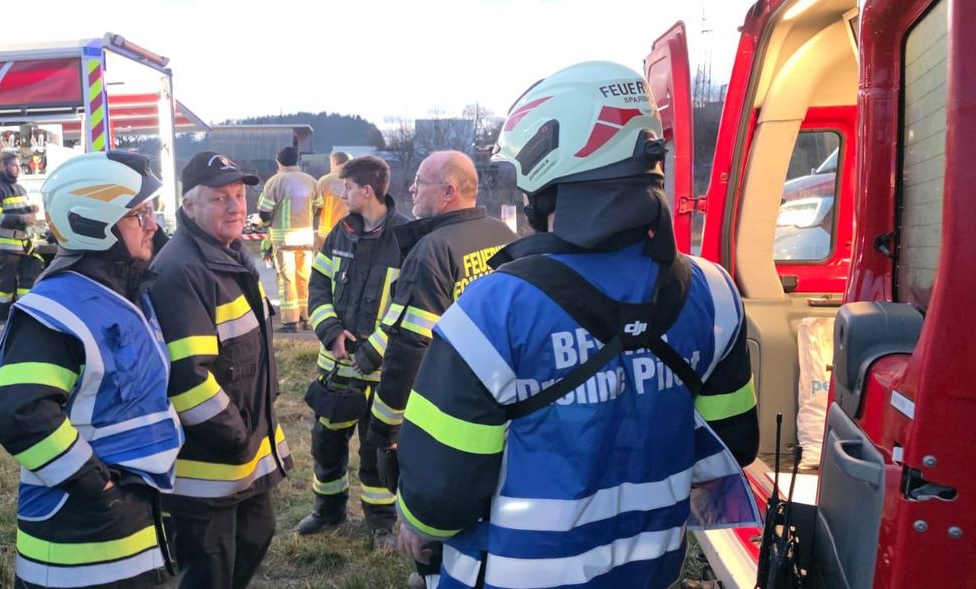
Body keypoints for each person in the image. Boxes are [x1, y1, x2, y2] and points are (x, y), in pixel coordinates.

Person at [394, 61, 762, 588]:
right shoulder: (715, 293)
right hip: (648, 573)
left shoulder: (493, 310)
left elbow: (438, 499)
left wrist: (416, 524)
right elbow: (732, 447)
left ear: (549, 174)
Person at [0, 151, 184, 589]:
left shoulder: (117, 291)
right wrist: (100, 488)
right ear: (95, 224)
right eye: (140, 215)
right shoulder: (58, 308)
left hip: (123, 527)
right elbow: (21, 415)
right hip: (77, 540)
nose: (153, 225)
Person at [150, 151, 292, 589]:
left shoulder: (228, 253)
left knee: (254, 537)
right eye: (219, 198)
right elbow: (187, 377)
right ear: (189, 205)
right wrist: (237, 435)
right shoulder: (181, 270)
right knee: (209, 568)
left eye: (239, 194)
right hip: (209, 465)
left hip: (244, 450)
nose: (235, 206)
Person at [352, 150, 515, 497]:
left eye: (419, 183)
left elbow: (409, 348)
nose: (411, 189)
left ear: (448, 192)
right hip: (508, 406)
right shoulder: (504, 235)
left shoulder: (432, 250)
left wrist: (383, 433)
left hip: (451, 411)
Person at [294, 156, 408, 550]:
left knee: (378, 451)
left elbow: (410, 307)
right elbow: (318, 287)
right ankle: (327, 511)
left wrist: (373, 352)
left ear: (367, 191)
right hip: (337, 366)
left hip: (383, 373)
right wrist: (329, 331)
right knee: (326, 443)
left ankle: (381, 523)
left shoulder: (408, 239)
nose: (342, 194)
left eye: (347, 188)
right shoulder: (339, 233)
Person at [256, 145, 322, 332]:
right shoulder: (311, 181)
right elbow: (319, 207)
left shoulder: (276, 181)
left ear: (279, 161)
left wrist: (266, 223)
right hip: (307, 239)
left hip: (284, 240)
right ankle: (307, 318)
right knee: (305, 278)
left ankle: (290, 322)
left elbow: (264, 211)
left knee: (287, 280)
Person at [0, 152, 42, 324]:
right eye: (14, 166)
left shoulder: (20, 189)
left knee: (26, 284)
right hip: (6, 248)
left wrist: (30, 209)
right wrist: (22, 218)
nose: (18, 169)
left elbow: (18, 211)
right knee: (5, 287)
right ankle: (2, 322)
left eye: (19, 166)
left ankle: (24, 319)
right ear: (3, 166)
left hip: (24, 246)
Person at [314, 151, 351, 246]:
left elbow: (315, 205)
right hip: (350, 230)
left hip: (327, 231)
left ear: (334, 162)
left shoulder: (325, 180)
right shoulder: (355, 179)